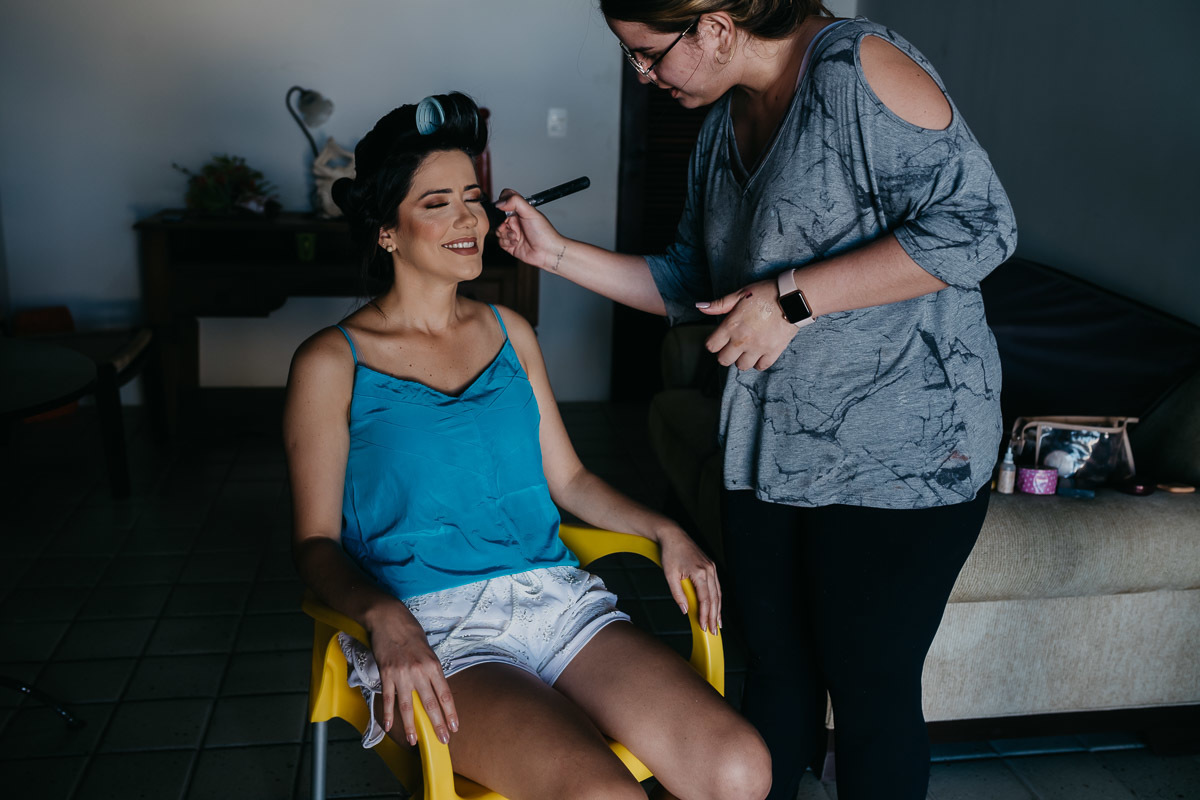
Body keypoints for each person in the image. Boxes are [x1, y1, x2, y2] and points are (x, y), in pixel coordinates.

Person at [494, 3, 1017, 799]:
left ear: (713, 26)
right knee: (775, 680)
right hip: (770, 455)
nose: (642, 77)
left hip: (902, 459)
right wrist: (556, 253)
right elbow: (690, 284)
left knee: (869, 692)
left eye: (646, 54)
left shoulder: (855, 69)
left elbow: (980, 228)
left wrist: (792, 299)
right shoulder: (721, 122)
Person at [283, 92, 770, 800]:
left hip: (553, 601)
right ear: (386, 230)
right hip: (433, 625)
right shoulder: (331, 362)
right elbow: (315, 544)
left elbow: (568, 481)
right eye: (437, 203)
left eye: (474, 198)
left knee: (741, 768)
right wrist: (383, 617)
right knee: (607, 797)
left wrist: (669, 531)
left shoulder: (511, 331)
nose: (469, 220)